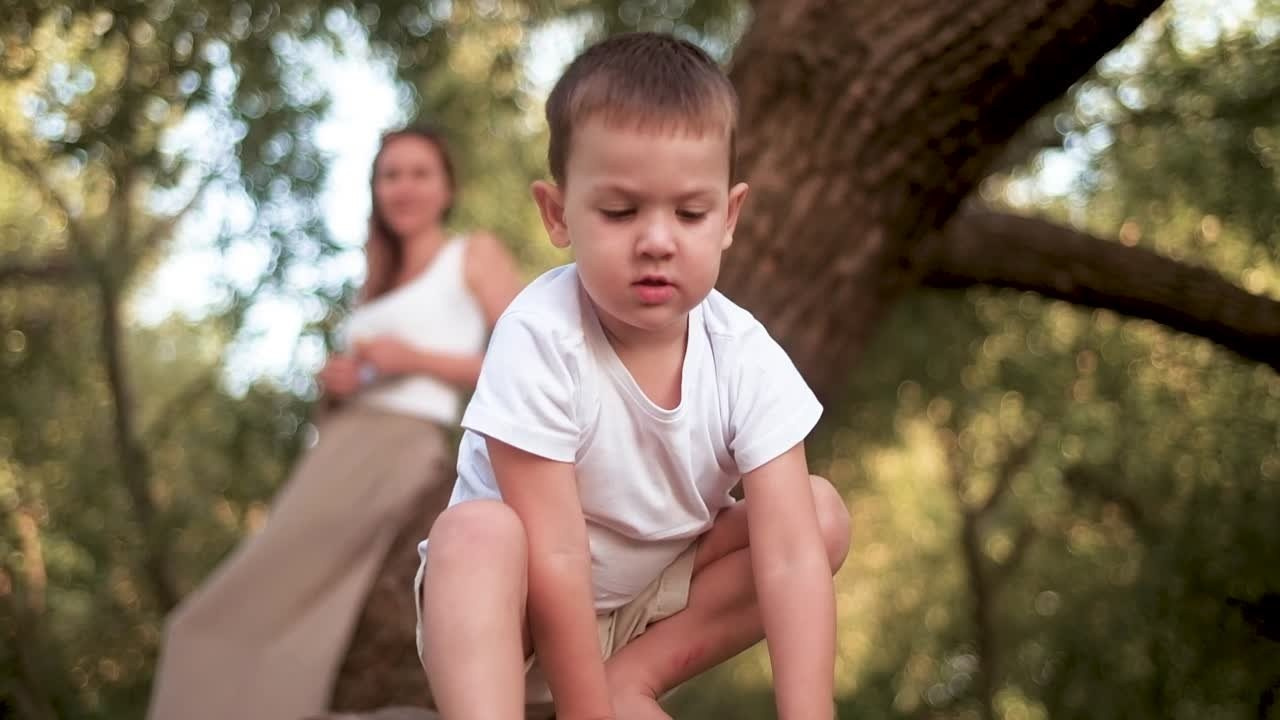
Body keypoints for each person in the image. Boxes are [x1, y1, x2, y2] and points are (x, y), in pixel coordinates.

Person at [415, 33, 852, 720]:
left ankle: (630, 684)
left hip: (650, 604)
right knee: (474, 535)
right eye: (620, 211)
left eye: (689, 213)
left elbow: (794, 557)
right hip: (522, 612)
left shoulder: (744, 354)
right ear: (558, 214)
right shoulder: (540, 335)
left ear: (730, 217)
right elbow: (556, 556)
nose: (656, 239)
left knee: (817, 515)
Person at [147, 126, 524, 720]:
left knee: (228, 613)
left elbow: (526, 359)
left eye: (419, 173)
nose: (403, 187)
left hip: (402, 442)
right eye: (390, 175)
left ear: (447, 187)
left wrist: (413, 359)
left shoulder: (470, 254)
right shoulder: (374, 278)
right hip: (339, 443)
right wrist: (341, 386)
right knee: (276, 594)